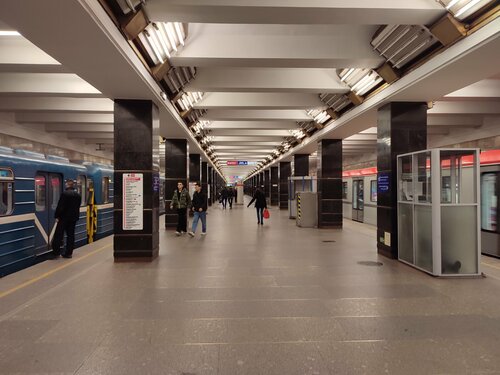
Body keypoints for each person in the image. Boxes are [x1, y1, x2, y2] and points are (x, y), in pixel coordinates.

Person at [52, 179, 82, 258]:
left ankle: (56, 253)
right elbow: (77, 207)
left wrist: (57, 216)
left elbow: (60, 207)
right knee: (70, 235)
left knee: (58, 234)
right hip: (73, 218)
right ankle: (69, 253)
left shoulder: (65, 194)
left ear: (68, 185)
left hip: (63, 218)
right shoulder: (78, 195)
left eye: (66, 184)